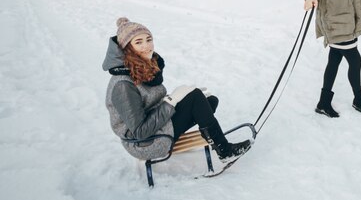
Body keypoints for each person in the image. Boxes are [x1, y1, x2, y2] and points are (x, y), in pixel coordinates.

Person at [102, 17, 251, 163]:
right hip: (146, 143)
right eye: (138, 42)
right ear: (127, 48)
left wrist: (182, 99)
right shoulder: (123, 85)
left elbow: (149, 102)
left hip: (156, 127)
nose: (147, 46)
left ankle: (211, 136)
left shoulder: (140, 66)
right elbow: (141, 132)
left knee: (209, 102)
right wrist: (172, 101)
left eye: (149, 39)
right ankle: (224, 151)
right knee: (196, 99)